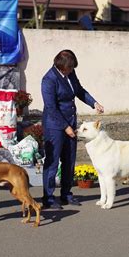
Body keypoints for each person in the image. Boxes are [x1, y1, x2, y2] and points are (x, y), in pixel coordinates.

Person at [41, 49, 104, 209]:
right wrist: (65, 127)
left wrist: (93, 103)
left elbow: (79, 90)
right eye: (69, 68)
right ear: (62, 67)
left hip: (70, 121)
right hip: (55, 125)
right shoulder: (48, 80)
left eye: (72, 68)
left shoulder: (71, 74)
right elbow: (51, 107)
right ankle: (48, 197)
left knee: (69, 160)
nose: (71, 70)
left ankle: (66, 194)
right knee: (52, 161)